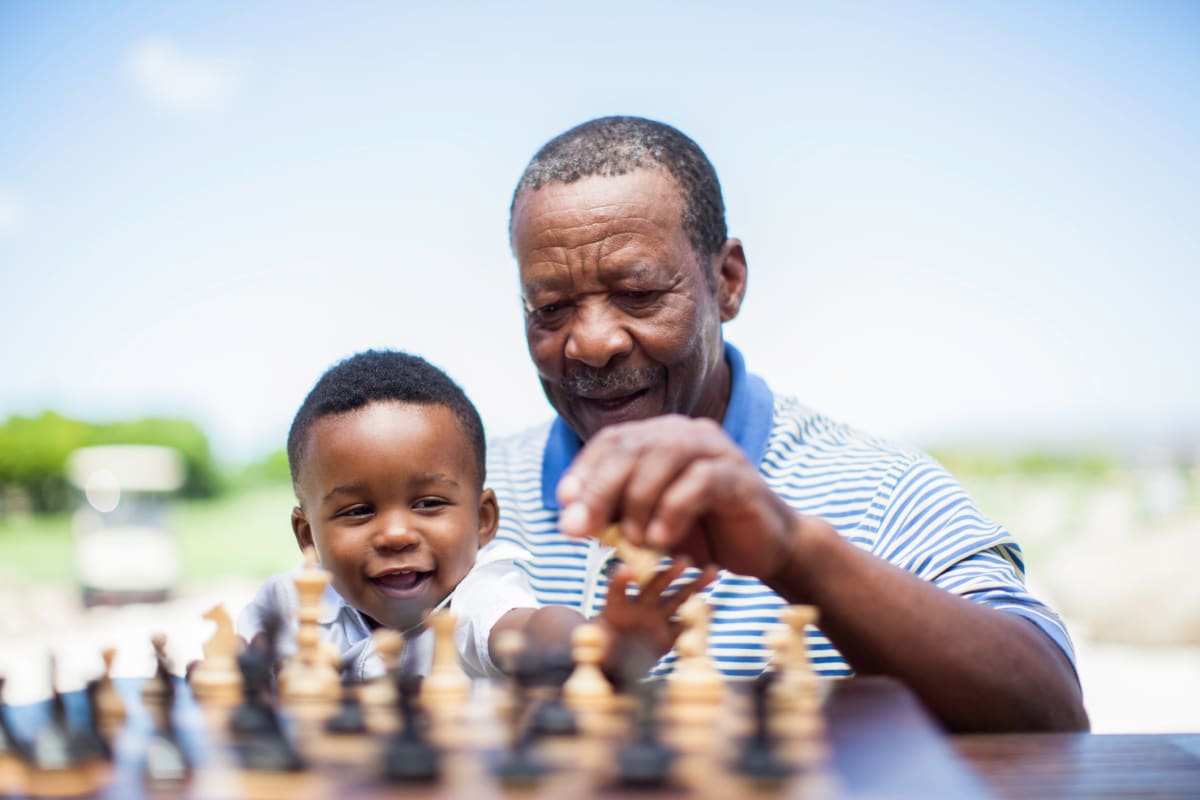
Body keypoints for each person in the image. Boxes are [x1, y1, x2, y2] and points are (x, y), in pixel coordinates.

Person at [488, 115, 1089, 732]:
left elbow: (1052, 712)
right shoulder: (465, 501)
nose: (592, 343)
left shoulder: (881, 492)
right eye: (551, 308)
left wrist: (796, 555)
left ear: (727, 282)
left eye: (637, 294)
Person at [238, 349, 708, 681]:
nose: (397, 534)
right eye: (358, 511)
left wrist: (598, 644)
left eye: (429, 503)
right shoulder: (286, 602)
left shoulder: (476, 599)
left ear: (484, 519)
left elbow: (530, 629)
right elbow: (237, 663)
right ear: (307, 536)